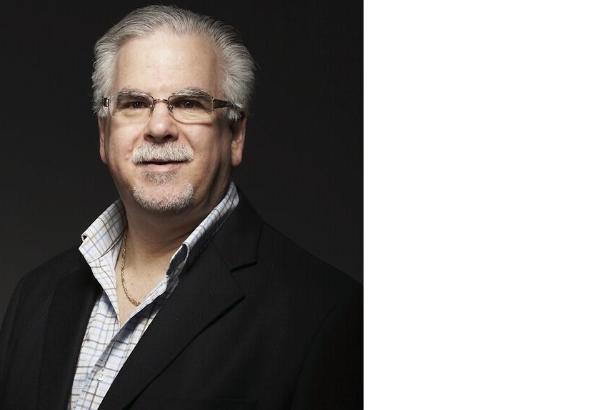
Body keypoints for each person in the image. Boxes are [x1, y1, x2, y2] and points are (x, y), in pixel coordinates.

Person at [0, 5, 362, 410]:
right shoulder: (36, 294)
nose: (159, 128)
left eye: (189, 103)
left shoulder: (323, 317)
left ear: (235, 135)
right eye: (134, 103)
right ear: (104, 134)